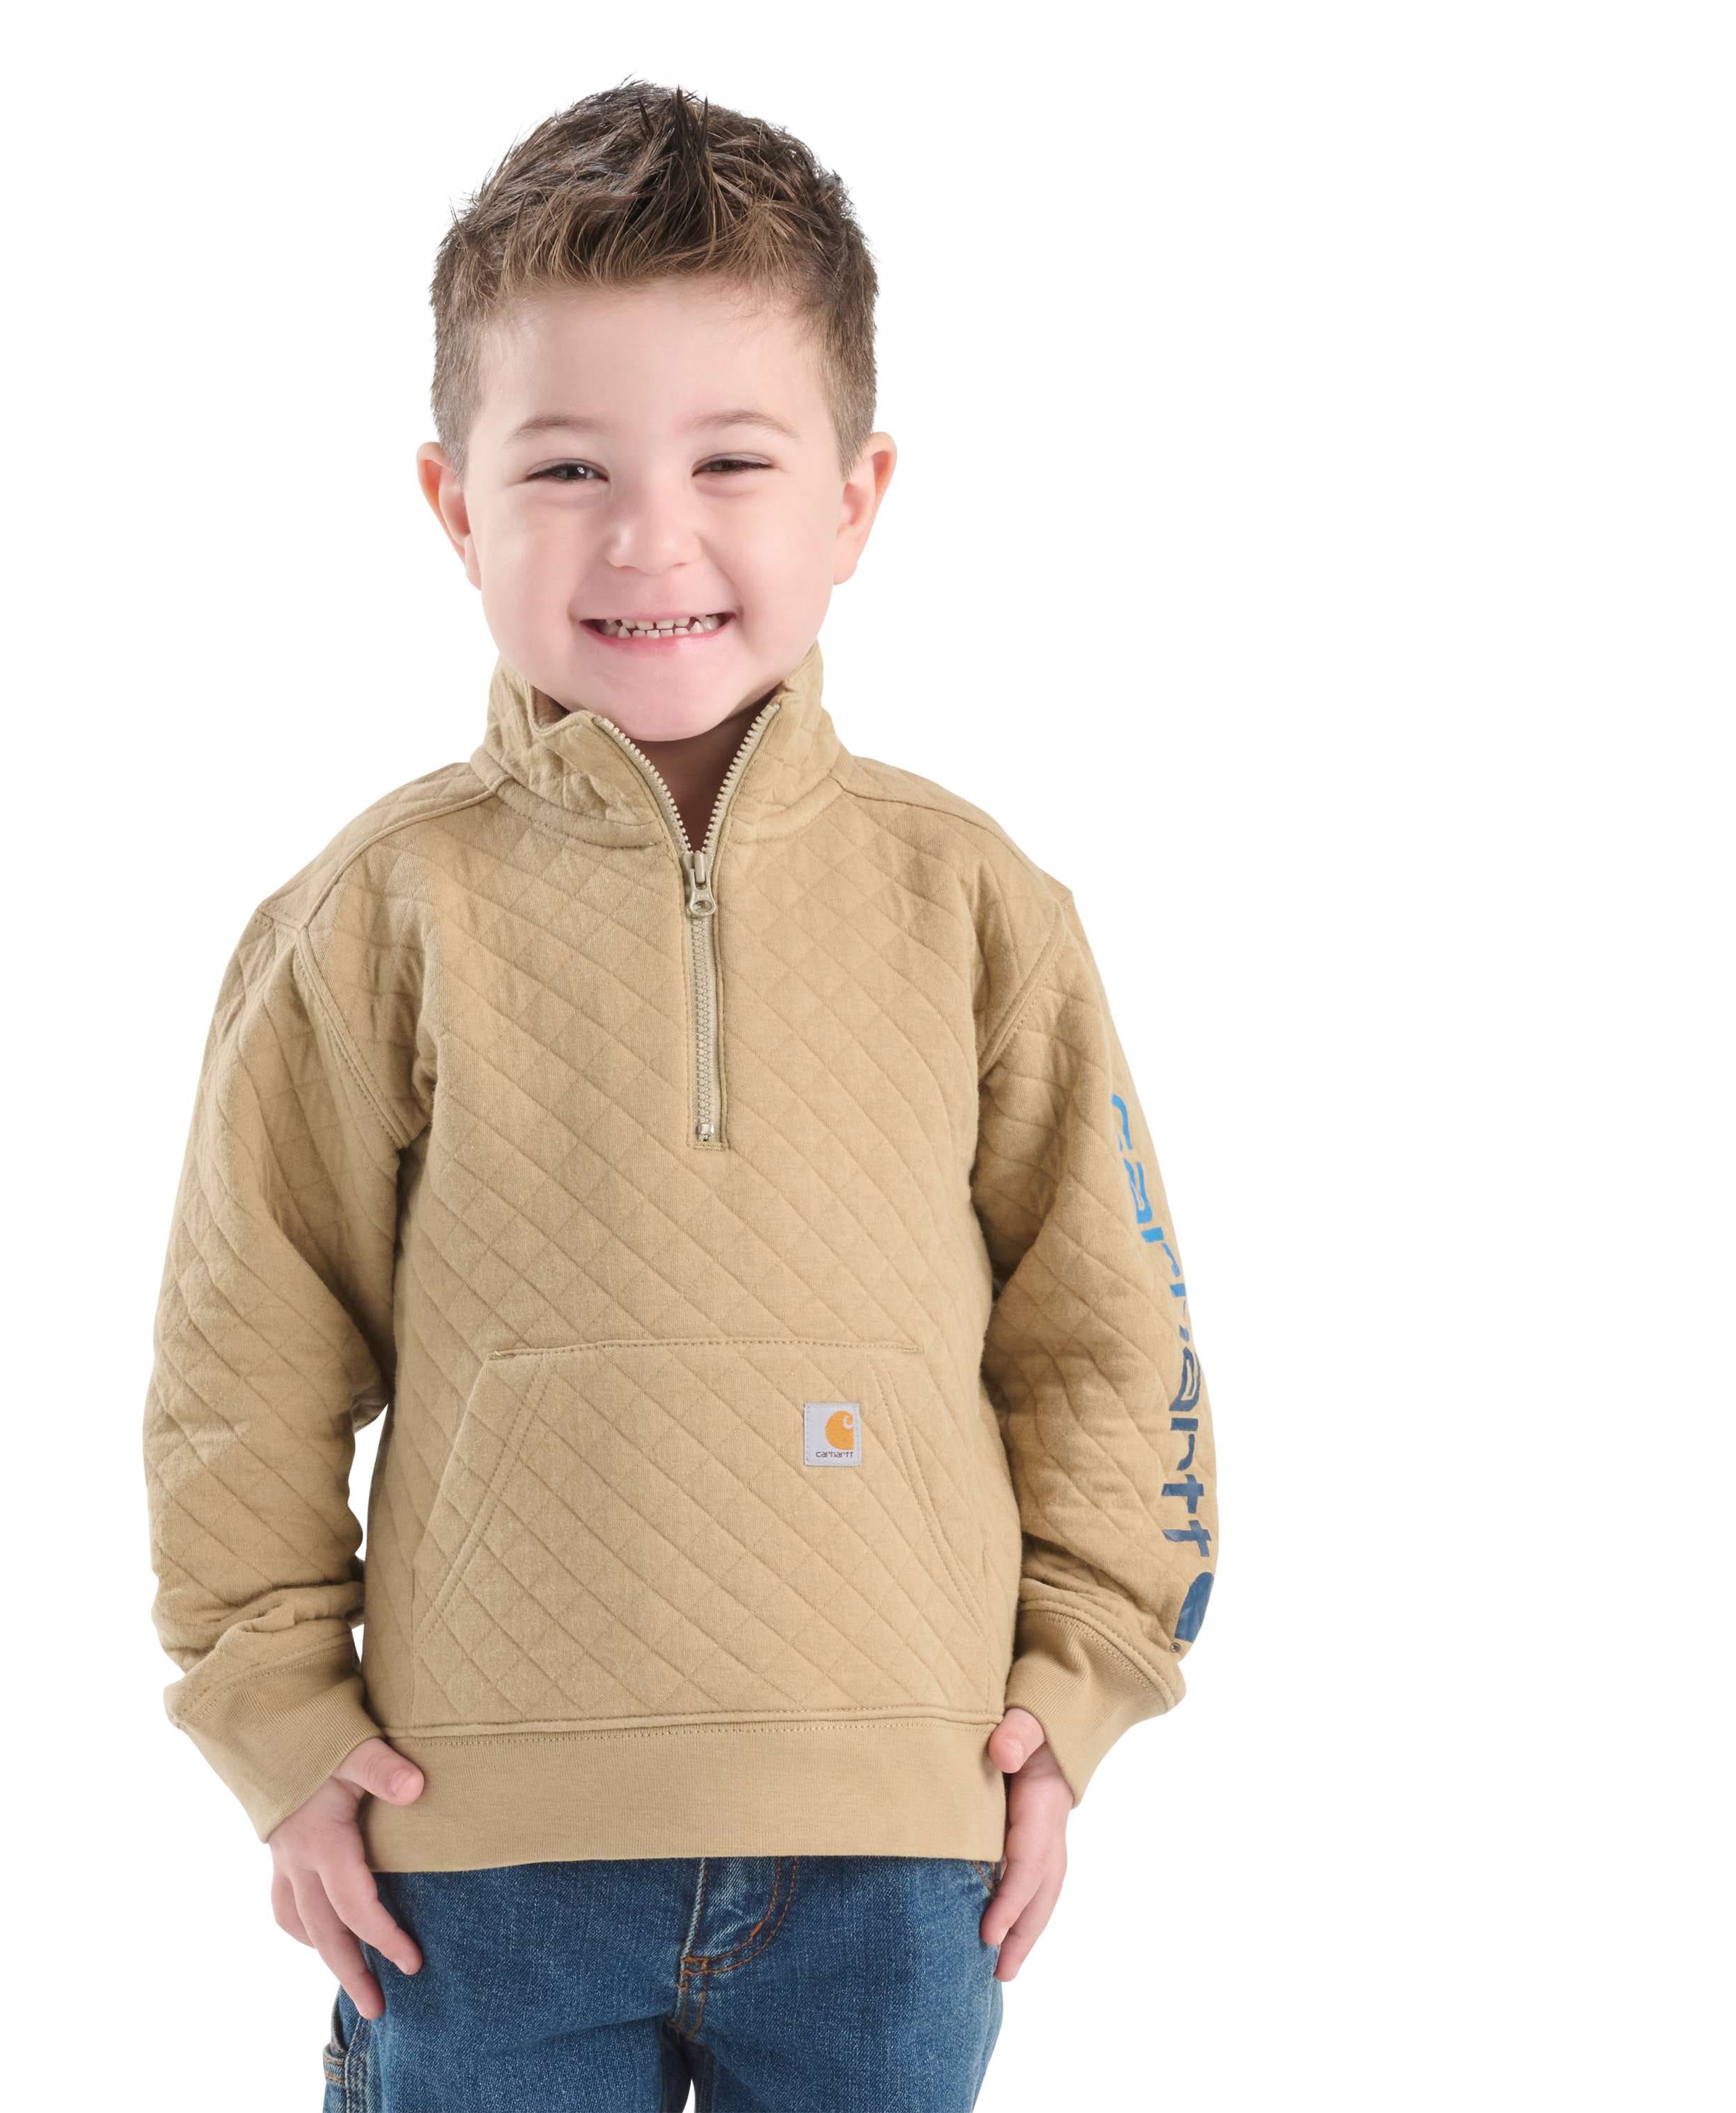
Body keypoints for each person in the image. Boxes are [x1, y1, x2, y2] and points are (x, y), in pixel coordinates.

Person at [142, 78, 1218, 2113]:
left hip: (899, 1849)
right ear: (456, 503)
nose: (651, 535)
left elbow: (1108, 1330)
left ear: (857, 500)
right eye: (567, 466)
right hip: (471, 1855)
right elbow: (243, 1355)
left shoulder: (975, 906)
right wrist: (280, 1726)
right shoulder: (375, 917)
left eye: (733, 459)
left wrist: (1076, 1686)